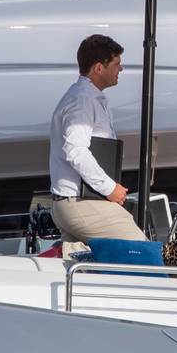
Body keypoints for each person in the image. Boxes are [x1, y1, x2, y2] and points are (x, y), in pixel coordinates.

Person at [49, 34, 146, 252]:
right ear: (98, 68)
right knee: (141, 252)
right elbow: (76, 151)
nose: (121, 69)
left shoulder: (84, 97)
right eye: (116, 64)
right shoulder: (82, 101)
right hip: (80, 202)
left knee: (85, 268)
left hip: (71, 202)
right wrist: (110, 188)